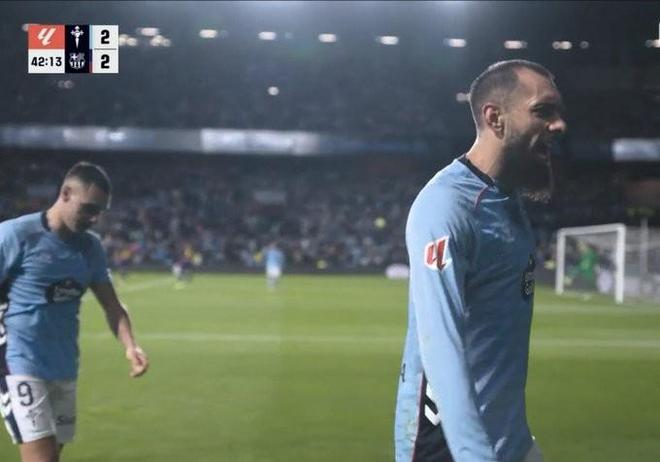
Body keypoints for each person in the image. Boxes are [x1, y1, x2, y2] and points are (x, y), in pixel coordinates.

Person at [394, 60, 567, 462]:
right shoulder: (446, 206)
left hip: (512, 442)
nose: (559, 125)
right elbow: (440, 347)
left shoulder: (507, 200)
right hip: (449, 448)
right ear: (495, 118)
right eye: (543, 111)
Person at [0, 162, 149, 462]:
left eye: (100, 212)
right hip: (19, 361)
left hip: (64, 366)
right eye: (89, 208)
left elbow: (112, 305)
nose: (94, 218)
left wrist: (130, 345)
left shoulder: (91, 248)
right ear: (65, 194)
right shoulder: (15, 235)